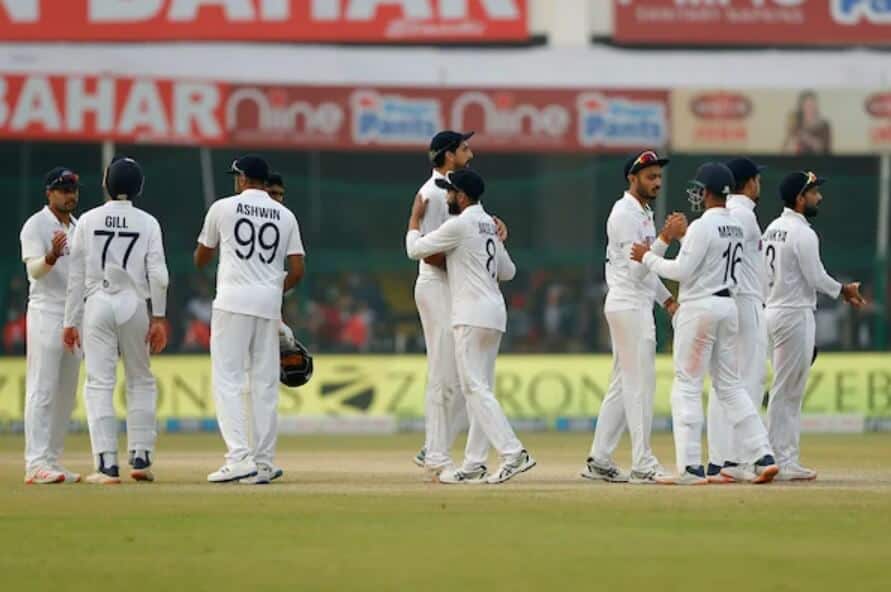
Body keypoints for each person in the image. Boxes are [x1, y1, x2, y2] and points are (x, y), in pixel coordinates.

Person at [631, 163, 778, 485]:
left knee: (686, 385)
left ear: (709, 192)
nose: (696, 193)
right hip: (728, 307)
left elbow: (681, 271)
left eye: (700, 188)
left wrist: (647, 257)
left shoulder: (702, 226)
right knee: (730, 386)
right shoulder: (736, 225)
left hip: (699, 309)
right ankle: (762, 453)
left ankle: (690, 468)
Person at [406, 168, 535, 485]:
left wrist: (414, 221)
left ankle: (513, 453)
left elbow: (415, 251)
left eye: (450, 192)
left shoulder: (459, 223)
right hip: (494, 313)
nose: (447, 196)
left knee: (474, 388)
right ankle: (475, 462)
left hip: (470, 314)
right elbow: (508, 271)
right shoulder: (489, 223)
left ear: (461, 196)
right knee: (481, 389)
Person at [195, 155, 305, 484]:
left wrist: (210, 249)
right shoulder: (285, 215)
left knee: (228, 380)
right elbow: (297, 269)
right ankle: (264, 463)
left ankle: (239, 458)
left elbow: (201, 258)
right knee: (265, 385)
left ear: (243, 179)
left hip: (232, 301)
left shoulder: (223, 208)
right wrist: (272, 288)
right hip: (268, 305)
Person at [63, 157, 169, 484]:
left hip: (97, 303)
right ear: (139, 187)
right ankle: (141, 456)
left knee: (99, 383)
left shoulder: (88, 221)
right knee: (141, 379)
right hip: (135, 303)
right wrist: (160, 317)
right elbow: (159, 277)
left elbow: (76, 276)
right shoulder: (148, 222)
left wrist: (70, 320)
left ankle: (107, 464)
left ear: (106, 184)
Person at [580, 150, 682, 485]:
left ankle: (600, 458)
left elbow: (647, 269)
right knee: (640, 385)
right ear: (632, 178)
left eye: (658, 178)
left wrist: (667, 301)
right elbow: (639, 272)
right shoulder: (624, 214)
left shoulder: (642, 213)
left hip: (634, 304)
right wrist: (666, 239)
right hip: (629, 306)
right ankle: (643, 462)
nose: (656, 183)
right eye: (650, 177)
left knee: (623, 383)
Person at [762, 171, 865, 481]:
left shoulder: (772, 228)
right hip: (794, 314)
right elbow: (816, 277)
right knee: (788, 391)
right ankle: (782, 460)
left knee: (783, 388)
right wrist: (844, 290)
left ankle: (776, 456)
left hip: (771, 311)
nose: (818, 197)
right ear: (799, 197)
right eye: (813, 192)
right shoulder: (802, 233)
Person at [705, 157, 771, 483]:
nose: (761, 185)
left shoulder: (732, 212)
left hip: (733, 301)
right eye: (758, 179)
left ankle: (723, 460)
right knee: (746, 381)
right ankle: (737, 458)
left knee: (727, 383)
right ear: (749, 181)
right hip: (744, 302)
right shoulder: (743, 214)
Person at [19, 167, 82, 484]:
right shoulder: (36, 225)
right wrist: (52, 256)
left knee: (66, 393)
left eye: (72, 189)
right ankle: (35, 463)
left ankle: (52, 460)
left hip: (74, 315)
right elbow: (34, 270)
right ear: (49, 192)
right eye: (62, 189)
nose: (69, 195)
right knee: (42, 388)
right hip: (46, 311)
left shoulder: (79, 226)